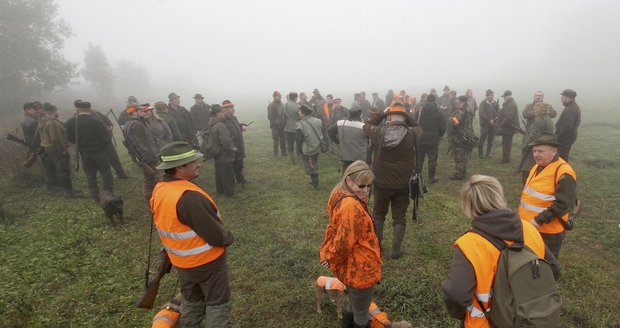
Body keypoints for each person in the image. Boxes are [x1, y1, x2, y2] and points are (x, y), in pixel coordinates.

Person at [442, 174, 560, 328]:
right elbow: (553, 271)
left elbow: (456, 295)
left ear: (468, 205)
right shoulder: (529, 229)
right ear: (499, 196)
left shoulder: (468, 245)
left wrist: (460, 314)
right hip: (527, 319)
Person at [151, 141, 234, 328]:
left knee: (192, 302)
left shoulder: (160, 189)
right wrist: (229, 237)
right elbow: (217, 236)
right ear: (180, 167)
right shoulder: (190, 197)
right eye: (193, 162)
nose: (199, 164)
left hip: (181, 262)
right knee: (217, 305)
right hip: (207, 263)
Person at [319, 161, 381, 328]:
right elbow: (343, 243)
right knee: (361, 315)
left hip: (351, 268)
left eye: (369, 186)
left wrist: (331, 257)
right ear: (349, 179)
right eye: (362, 185)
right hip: (360, 270)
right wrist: (331, 257)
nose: (366, 190)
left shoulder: (338, 194)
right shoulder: (351, 206)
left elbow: (336, 231)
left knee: (354, 303)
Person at [364, 102, 420, 259]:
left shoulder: (377, 132)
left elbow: (367, 124)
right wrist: (405, 115)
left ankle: (377, 247)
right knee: (400, 215)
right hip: (402, 183)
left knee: (379, 214)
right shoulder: (413, 134)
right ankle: (396, 250)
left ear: (389, 117)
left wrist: (383, 113)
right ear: (404, 117)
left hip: (381, 182)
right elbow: (418, 125)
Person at [518, 133, 577, 259]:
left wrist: (539, 220)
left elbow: (564, 204)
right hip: (529, 227)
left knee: (547, 265)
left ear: (554, 151)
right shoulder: (537, 167)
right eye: (534, 151)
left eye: (541, 151)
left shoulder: (564, 173)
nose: (536, 155)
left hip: (548, 232)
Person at [64, 101, 114, 201]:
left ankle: (94, 194)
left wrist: (77, 142)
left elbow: (68, 135)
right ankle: (108, 193)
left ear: (78, 109)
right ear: (89, 108)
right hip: (99, 151)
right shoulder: (96, 121)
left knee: (90, 174)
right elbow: (107, 138)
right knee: (105, 172)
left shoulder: (72, 121)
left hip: (84, 152)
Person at [38, 103, 82, 198]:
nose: (58, 112)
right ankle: (68, 192)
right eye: (56, 110)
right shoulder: (52, 122)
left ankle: (67, 189)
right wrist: (63, 150)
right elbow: (56, 139)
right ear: (53, 111)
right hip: (57, 150)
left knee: (60, 169)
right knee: (64, 170)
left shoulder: (43, 121)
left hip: (50, 149)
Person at [123, 104, 159, 199]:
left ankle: (151, 196)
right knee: (152, 178)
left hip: (140, 157)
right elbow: (145, 145)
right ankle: (152, 197)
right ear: (134, 112)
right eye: (141, 111)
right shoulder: (137, 124)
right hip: (146, 157)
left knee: (148, 178)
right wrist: (153, 158)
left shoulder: (128, 124)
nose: (143, 112)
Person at [20, 102, 57, 190]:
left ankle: (53, 185)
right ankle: (53, 186)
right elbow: (39, 137)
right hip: (42, 147)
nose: (36, 111)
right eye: (34, 109)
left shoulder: (25, 120)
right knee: (50, 167)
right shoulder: (33, 122)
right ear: (27, 110)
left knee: (48, 166)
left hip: (36, 147)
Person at [517, 103, 554, 185]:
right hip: (545, 147)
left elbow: (532, 137)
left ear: (538, 111)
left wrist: (524, 146)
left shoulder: (539, 121)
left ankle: (527, 191)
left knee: (527, 171)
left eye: (535, 110)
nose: (535, 112)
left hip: (535, 147)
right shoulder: (549, 120)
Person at [415, 94, 446, 184]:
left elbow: (414, 121)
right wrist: (439, 135)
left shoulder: (420, 110)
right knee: (433, 158)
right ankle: (431, 177)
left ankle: (417, 176)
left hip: (421, 137)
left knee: (419, 158)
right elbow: (442, 127)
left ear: (427, 100)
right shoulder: (439, 112)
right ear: (435, 100)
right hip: (433, 138)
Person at [327, 106, 368, 173]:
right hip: (360, 157)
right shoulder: (363, 126)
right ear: (360, 114)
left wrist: (338, 142)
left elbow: (330, 132)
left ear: (349, 113)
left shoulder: (340, 123)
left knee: (346, 175)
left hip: (345, 156)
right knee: (359, 176)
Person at [295, 105, 326, 190]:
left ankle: (315, 186)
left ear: (303, 113)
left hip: (308, 150)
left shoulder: (300, 124)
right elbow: (323, 132)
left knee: (311, 167)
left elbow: (299, 139)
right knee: (315, 164)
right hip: (318, 147)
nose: (298, 113)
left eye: (299, 111)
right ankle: (314, 182)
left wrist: (298, 151)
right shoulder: (318, 120)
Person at [209, 105, 237, 197]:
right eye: (222, 112)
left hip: (216, 152)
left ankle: (220, 190)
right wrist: (232, 148)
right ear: (218, 114)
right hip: (223, 153)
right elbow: (225, 141)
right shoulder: (220, 125)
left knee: (219, 173)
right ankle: (229, 192)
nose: (223, 113)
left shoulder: (211, 122)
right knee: (227, 173)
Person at [222, 100, 249, 186]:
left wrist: (242, 126)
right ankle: (232, 183)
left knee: (240, 164)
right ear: (225, 109)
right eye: (231, 108)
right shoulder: (223, 120)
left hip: (239, 145)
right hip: (232, 147)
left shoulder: (233, 118)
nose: (233, 109)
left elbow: (237, 125)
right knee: (234, 165)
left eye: (233, 107)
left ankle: (240, 179)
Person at [447, 96, 475, 181]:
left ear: (462, 102)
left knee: (459, 156)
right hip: (466, 134)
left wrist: (450, 118)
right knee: (463, 155)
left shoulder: (461, 111)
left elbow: (455, 122)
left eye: (458, 101)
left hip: (459, 137)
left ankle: (459, 174)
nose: (457, 103)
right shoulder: (468, 110)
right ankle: (463, 173)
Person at [555, 89, 581, 161]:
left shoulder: (570, 110)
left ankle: (564, 171)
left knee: (561, 158)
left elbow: (567, 128)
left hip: (564, 140)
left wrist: (559, 139)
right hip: (567, 138)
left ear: (568, 98)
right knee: (562, 157)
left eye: (562, 98)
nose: (561, 99)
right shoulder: (572, 107)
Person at [495, 90, 520, 163]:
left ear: (508, 96)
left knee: (506, 144)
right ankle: (505, 158)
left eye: (504, 97)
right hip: (509, 127)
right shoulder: (510, 103)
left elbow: (509, 118)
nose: (504, 98)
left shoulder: (511, 104)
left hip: (509, 127)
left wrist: (501, 125)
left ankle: (506, 160)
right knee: (506, 143)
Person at [477, 89, 499, 159]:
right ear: (487, 96)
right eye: (490, 95)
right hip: (484, 124)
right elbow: (481, 114)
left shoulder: (495, 103)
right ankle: (480, 154)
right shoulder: (483, 103)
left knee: (490, 139)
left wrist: (495, 119)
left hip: (493, 125)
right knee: (482, 139)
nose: (492, 97)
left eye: (492, 95)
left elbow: (498, 113)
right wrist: (489, 120)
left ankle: (488, 153)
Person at [267, 91, 287, 158]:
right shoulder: (271, 106)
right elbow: (269, 116)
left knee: (283, 140)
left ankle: (284, 153)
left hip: (282, 125)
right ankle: (276, 154)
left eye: (280, 96)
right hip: (275, 126)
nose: (280, 97)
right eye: (278, 96)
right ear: (274, 96)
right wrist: (276, 122)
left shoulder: (282, 105)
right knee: (276, 140)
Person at [283, 92, 301, 163]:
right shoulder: (297, 106)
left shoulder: (284, 105)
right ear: (296, 98)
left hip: (287, 128)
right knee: (299, 144)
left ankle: (291, 160)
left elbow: (282, 116)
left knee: (290, 145)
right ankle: (299, 158)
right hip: (297, 128)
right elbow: (301, 117)